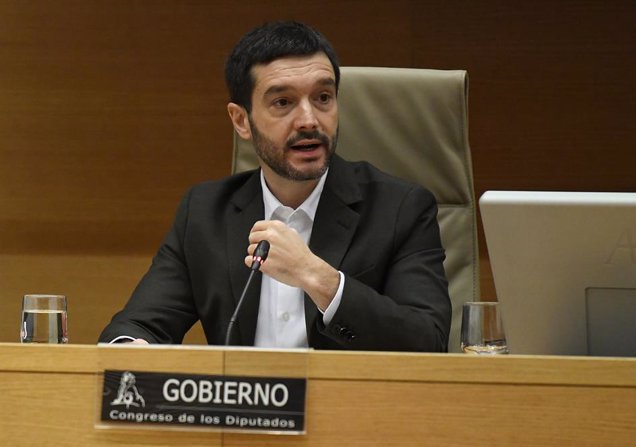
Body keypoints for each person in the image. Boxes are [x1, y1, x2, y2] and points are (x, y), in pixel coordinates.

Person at [99, 21, 451, 351]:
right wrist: (132, 352)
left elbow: (427, 340)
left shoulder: (399, 208)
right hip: (240, 414)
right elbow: (139, 325)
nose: (310, 120)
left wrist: (317, 277)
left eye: (323, 98)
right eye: (283, 102)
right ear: (242, 121)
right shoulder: (205, 212)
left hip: (354, 412)